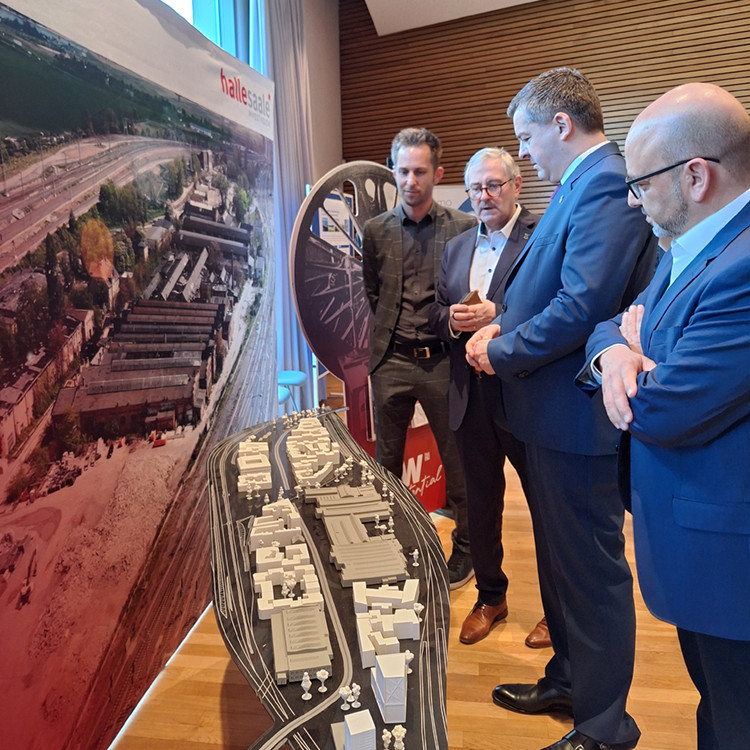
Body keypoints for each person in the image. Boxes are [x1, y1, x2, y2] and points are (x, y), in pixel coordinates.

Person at [464, 68, 656, 750]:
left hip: (576, 420)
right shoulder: (581, 185)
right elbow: (553, 291)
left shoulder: (603, 182)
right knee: (563, 566)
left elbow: (582, 305)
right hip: (550, 417)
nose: (523, 152)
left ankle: (605, 726)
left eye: (526, 137)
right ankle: (571, 681)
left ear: (561, 125)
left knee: (592, 576)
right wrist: (503, 321)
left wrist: (501, 349)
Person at [581, 82, 750, 750]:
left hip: (730, 563)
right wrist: (620, 352)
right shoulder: (691, 243)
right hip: (697, 545)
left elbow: (663, 408)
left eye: (641, 183)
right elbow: (610, 326)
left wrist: (635, 354)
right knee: (718, 706)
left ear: (696, 176)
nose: (632, 200)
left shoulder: (741, 267)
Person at [429, 147, 548, 647]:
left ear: (516, 186)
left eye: (493, 185)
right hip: (469, 395)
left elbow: (554, 306)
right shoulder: (456, 247)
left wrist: (499, 314)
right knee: (479, 506)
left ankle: (558, 611)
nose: (484, 195)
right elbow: (436, 311)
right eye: (475, 187)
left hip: (525, 392)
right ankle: (491, 597)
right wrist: (451, 320)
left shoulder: (542, 235)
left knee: (547, 507)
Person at [362, 127, 477, 588]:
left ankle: (466, 550)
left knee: (458, 463)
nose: (411, 180)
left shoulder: (463, 228)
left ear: (438, 174)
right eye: (404, 171)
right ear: (394, 171)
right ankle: (388, 548)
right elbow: (374, 292)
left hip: (443, 361)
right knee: (386, 465)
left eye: (420, 172)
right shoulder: (376, 230)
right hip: (390, 361)